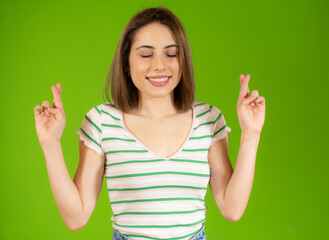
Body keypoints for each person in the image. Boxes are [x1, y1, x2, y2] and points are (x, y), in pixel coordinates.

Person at [34, 7, 265, 240]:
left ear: (183, 60)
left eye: (171, 53)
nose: (159, 66)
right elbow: (76, 217)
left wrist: (251, 133)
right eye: (146, 55)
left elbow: (232, 209)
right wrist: (50, 143)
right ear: (126, 62)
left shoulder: (208, 119)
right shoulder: (102, 122)